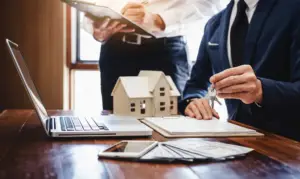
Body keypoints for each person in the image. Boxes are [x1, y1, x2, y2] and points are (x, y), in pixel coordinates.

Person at [179, 0, 300, 141]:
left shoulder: (295, 9)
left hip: (288, 147)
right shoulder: (214, 24)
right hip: (235, 144)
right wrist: (194, 102)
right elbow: (196, 85)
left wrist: (261, 90)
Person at [83, 0, 206, 112]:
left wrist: (159, 20)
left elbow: (210, 4)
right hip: (114, 48)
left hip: (165, 50)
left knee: (171, 119)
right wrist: (95, 29)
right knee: (115, 119)